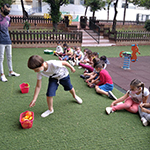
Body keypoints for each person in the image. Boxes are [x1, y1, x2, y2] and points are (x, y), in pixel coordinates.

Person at [0, 3, 20, 82]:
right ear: (2, 8)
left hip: (8, 40)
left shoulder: (8, 18)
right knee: (1, 58)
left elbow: (6, 29)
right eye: (6, 10)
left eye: (9, 10)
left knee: (9, 57)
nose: (7, 11)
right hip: (1, 41)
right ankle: (2, 74)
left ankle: (10, 71)